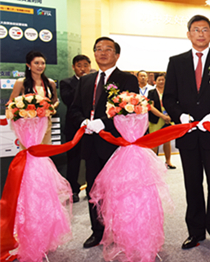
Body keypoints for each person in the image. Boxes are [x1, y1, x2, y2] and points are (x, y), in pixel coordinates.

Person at [163, 14, 210, 250]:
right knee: (192, 184)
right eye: (196, 29)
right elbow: (169, 97)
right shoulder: (176, 62)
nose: (201, 33)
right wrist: (180, 116)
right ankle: (195, 232)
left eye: (205, 29)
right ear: (188, 34)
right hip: (187, 134)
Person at [69, 37, 138, 249]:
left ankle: (118, 229)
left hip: (115, 144)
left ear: (117, 55)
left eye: (108, 49)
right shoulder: (86, 80)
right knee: (93, 189)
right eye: (98, 49)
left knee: (117, 189)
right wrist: (84, 122)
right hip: (90, 143)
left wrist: (104, 123)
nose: (102, 53)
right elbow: (74, 109)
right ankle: (97, 231)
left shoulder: (127, 79)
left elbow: (131, 109)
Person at [59, 54, 91, 203]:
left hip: (92, 127)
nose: (83, 69)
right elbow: (68, 101)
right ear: (73, 67)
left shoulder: (95, 81)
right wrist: (83, 82)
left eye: (86, 65)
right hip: (74, 128)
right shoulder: (66, 82)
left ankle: (92, 189)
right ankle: (73, 191)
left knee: (92, 160)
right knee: (74, 161)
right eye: (79, 66)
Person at [10, 50, 60, 145]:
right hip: (28, 125)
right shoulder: (21, 82)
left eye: (43, 63)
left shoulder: (50, 83)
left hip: (46, 123)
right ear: (28, 65)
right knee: (30, 151)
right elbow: (11, 103)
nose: (40, 66)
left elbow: (55, 101)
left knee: (44, 150)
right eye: (36, 63)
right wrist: (24, 110)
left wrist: (51, 108)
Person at [148, 73, 176, 169]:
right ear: (155, 81)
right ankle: (153, 163)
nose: (161, 81)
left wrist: (169, 116)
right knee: (154, 141)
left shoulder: (170, 92)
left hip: (168, 118)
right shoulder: (151, 92)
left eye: (163, 79)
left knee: (167, 141)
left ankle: (168, 161)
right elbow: (150, 106)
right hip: (156, 119)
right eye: (159, 80)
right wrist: (162, 116)